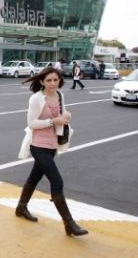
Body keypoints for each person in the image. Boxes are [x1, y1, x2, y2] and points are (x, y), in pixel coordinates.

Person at [16, 67, 88, 236]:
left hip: (52, 145)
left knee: (34, 177)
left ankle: (21, 207)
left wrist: (66, 116)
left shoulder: (60, 95)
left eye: (55, 80)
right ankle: (69, 223)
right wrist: (54, 120)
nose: (53, 83)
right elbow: (32, 123)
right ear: (42, 81)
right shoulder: (36, 99)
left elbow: (61, 115)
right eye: (49, 80)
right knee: (57, 182)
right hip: (38, 145)